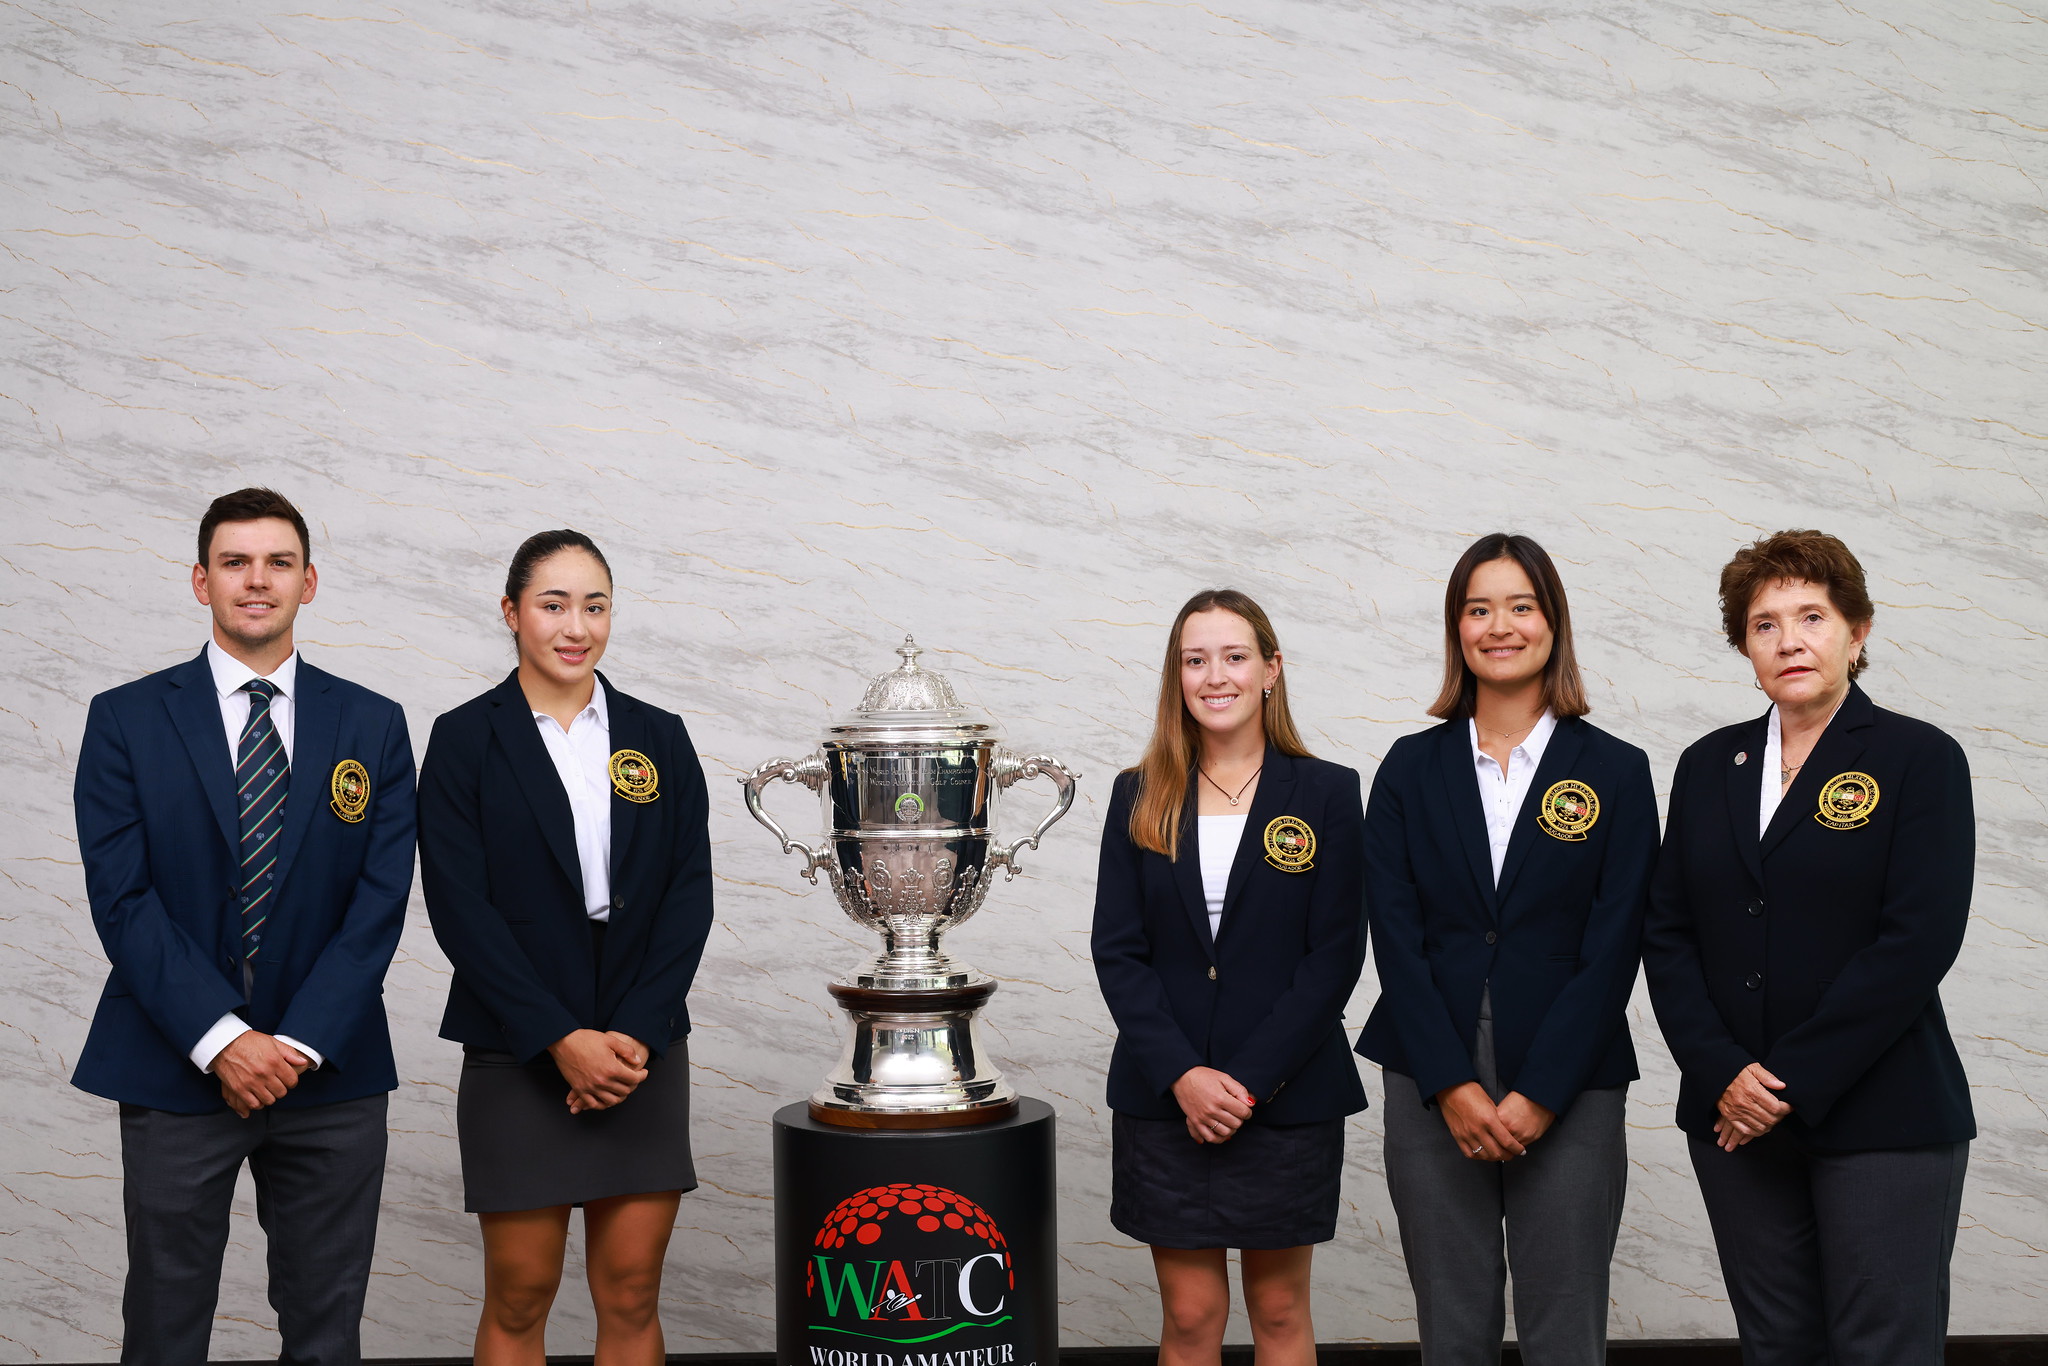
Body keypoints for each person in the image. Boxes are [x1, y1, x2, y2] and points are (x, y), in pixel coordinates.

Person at [72, 487, 416, 1366]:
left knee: (327, 1331)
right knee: (164, 1327)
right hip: (172, 1064)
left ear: (309, 583)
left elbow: (378, 906)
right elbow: (123, 901)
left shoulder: (372, 724)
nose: (255, 581)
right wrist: (224, 1041)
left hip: (329, 1075)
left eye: (278, 563)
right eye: (235, 562)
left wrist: (293, 1045)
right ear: (200, 581)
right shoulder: (125, 719)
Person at [1643, 529, 1974, 1366]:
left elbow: (1918, 939)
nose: (1789, 640)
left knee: (1882, 1350)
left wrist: (1787, 1081)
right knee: (1776, 1348)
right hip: (1733, 1119)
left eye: (1812, 616)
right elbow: (1668, 931)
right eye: (1764, 624)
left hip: (1883, 1112)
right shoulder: (1708, 764)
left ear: (1857, 632)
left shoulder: (1917, 758)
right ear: (1744, 645)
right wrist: (1722, 1072)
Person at [1353, 532, 1655, 1366]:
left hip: (1571, 1074)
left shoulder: (1617, 771)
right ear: (1457, 629)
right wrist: (1450, 1083)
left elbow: (1614, 944)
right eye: (1478, 608)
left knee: (1565, 1330)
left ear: (1553, 622)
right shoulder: (1409, 769)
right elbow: (1397, 936)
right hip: (1430, 1067)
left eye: (1521, 605)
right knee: (1453, 1329)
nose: (1500, 625)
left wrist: (1542, 1093)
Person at [417, 530, 713, 1366]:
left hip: (639, 1044)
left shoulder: (658, 735)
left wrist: (635, 1034)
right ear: (512, 613)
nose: (575, 626)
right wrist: (559, 1039)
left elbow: (688, 893)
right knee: (520, 1293)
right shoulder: (464, 741)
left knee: (630, 1289)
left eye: (595, 605)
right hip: (518, 1046)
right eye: (553, 605)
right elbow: (458, 908)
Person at [1091, 588, 1367, 1366]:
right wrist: (1182, 1074)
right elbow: (1118, 949)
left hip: (1285, 1095)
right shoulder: (1138, 794)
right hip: (1165, 1098)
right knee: (1189, 1314)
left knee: (1279, 1312)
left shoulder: (1327, 794)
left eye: (1235, 656)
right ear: (1177, 677)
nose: (1216, 675)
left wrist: (1244, 1083)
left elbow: (1334, 958)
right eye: (1195, 659)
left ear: (1272, 669)